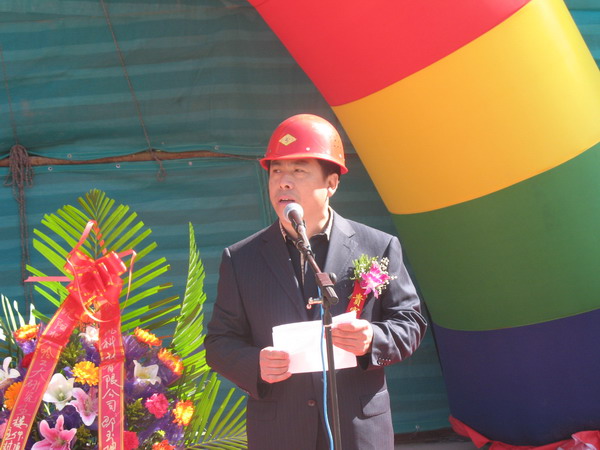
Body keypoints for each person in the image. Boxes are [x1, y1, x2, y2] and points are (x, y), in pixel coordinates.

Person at [205, 114, 427, 450]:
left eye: (298, 171)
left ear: (332, 183)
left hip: (358, 430)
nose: (283, 182)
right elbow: (220, 342)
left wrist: (373, 338)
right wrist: (255, 363)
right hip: (281, 432)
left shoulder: (378, 246)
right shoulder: (241, 259)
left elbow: (409, 322)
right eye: (276, 171)